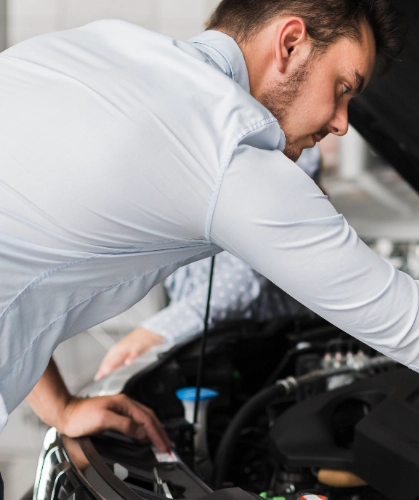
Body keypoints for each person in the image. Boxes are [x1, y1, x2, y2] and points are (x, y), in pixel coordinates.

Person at [0, 0, 419, 454]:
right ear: (292, 42)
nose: (340, 122)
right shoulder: (227, 152)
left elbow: (28, 246)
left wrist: (59, 404)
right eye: (346, 86)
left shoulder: (99, 51)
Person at [93, 147, 321, 381]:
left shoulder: (269, 146)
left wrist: (154, 332)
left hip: (273, 345)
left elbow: (245, 275)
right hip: (208, 340)